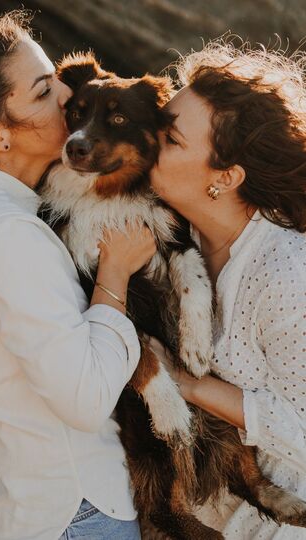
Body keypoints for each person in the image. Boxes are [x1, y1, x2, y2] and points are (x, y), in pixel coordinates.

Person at [0, 12, 156, 540]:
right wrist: (115, 272)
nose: (66, 94)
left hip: (33, 501)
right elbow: (84, 398)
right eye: (42, 91)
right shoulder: (6, 234)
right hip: (79, 509)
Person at [150, 40, 306, 538]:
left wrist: (193, 386)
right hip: (211, 507)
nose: (146, 139)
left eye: (169, 139)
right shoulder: (177, 234)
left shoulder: (287, 273)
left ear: (225, 177)